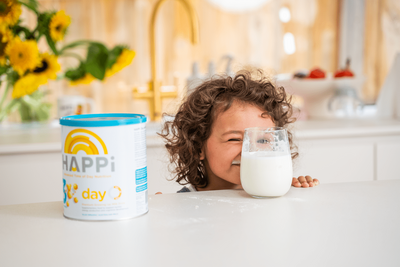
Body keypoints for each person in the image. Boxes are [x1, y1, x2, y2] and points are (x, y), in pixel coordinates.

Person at [158, 69, 319, 193]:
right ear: (198, 146)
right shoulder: (184, 205)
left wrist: (293, 193)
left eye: (263, 140)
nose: (250, 150)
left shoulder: (270, 192)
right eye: (234, 139)